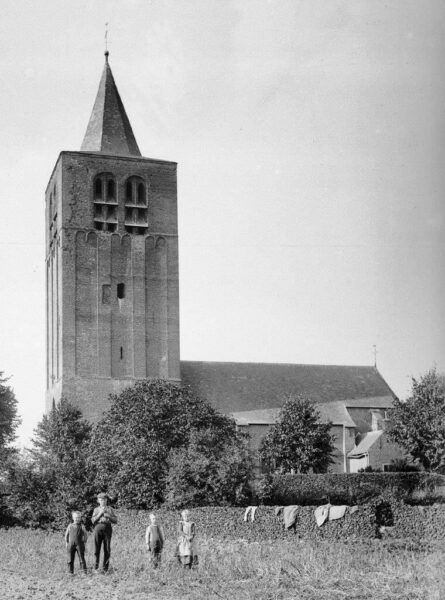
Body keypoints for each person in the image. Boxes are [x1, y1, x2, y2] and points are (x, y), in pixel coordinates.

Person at [91, 492, 117, 573]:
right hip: (98, 528)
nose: (103, 501)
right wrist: (100, 513)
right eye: (101, 499)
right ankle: (96, 568)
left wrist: (108, 516)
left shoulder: (110, 509)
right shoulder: (96, 509)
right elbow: (93, 521)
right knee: (96, 549)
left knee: (107, 549)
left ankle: (105, 569)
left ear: (106, 500)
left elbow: (115, 520)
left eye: (104, 499)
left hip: (107, 528)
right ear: (98, 500)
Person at [65, 511, 88, 575]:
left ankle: (83, 572)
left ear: (80, 518)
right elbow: (66, 535)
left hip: (80, 545)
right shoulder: (70, 526)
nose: (77, 519)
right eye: (76, 517)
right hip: (71, 545)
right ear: (73, 518)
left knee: (81, 558)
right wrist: (67, 543)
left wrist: (84, 542)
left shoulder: (82, 526)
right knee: (70, 559)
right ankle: (70, 572)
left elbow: (85, 535)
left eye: (78, 517)